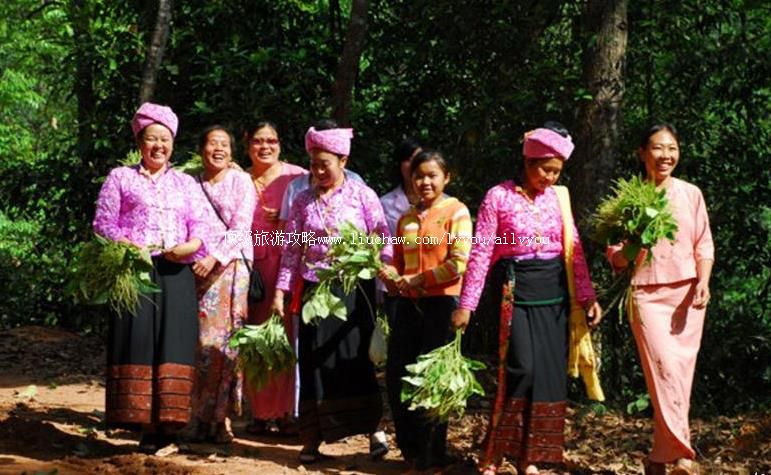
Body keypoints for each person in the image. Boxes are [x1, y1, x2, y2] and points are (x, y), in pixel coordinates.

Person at [451, 122, 603, 475]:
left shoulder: (558, 198)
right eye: (545, 169)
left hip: (554, 294)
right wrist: (466, 305)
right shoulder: (498, 197)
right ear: (527, 162)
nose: (550, 178)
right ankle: (495, 454)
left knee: (548, 374)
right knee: (521, 368)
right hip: (515, 290)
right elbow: (481, 252)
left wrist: (587, 296)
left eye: (556, 172)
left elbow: (574, 252)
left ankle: (530, 457)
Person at [272, 120, 391, 463]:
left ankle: (375, 432)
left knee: (357, 360)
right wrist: (282, 291)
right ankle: (312, 439)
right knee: (314, 360)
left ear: (343, 162)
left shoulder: (362, 194)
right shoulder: (303, 201)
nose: (318, 170)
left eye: (325, 163)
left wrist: (383, 273)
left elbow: (382, 237)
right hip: (314, 289)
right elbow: (292, 249)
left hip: (355, 289)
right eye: (313, 163)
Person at [93, 102, 206, 453]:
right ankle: (140, 422)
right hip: (135, 271)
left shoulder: (186, 183)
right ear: (140, 142)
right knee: (139, 340)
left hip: (176, 272)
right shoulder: (121, 177)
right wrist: (130, 245)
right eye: (152, 139)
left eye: (165, 139)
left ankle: (168, 430)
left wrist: (188, 247)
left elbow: (201, 227)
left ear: (173, 143)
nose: (159, 146)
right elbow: (103, 224)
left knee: (173, 343)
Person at [607, 124, 714, 475]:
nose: (666, 155)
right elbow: (617, 257)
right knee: (664, 371)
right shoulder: (628, 200)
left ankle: (658, 457)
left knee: (680, 377)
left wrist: (704, 282)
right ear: (642, 153)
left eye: (672, 147)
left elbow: (703, 244)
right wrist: (636, 241)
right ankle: (683, 454)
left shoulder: (691, 193)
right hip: (646, 295)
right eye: (657, 148)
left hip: (687, 294)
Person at [378, 150, 472, 473]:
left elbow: (458, 263)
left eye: (432, 175)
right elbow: (397, 266)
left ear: (447, 177)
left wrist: (417, 280)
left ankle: (432, 457)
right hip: (407, 306)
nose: (425, 181)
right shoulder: (405, 218)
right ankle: (412, 453)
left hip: (441, 305)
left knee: (432, 383)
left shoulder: (456, 212)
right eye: (419, 176)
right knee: (398, 376)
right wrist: (388, 276)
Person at [186, 126, 256, 443]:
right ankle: (197, 416)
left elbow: (242, 226)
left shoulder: (241, 181)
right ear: (201, 149)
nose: (219, 149)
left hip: (231, 268)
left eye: (225, 144)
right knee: (200, 346)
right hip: (196, 272)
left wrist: (214, 257)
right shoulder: (189, 183)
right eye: (212, 143)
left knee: (228, 344)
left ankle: (222, 419)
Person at [244, 121, 307, 436]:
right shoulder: (239, 178)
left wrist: (283, 222)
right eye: (258, 141)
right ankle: (257, 411)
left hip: (285, 266)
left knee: (284, 338)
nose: (265, 146)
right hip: (249, 267)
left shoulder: (296, 177)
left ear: (280, 144)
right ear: (247, 144)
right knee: (254, 337)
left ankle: (285, 412)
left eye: (271, 140)